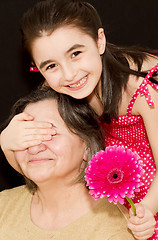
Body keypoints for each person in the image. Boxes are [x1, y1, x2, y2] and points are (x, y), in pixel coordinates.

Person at [0, 0, 158, 239]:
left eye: (76, 53)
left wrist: (148, 207)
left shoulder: (143, 84)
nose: (69, 74)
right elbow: (33, 163)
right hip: (112, 198)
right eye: (51, 65)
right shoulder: (53, 92)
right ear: (38, 68)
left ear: (99, 40)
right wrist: (6, 142)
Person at [0, 86, 136, 240]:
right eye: (26, 135)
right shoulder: (3, 205)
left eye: (50, 133)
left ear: (87, 145)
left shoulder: (116, 230)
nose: (35, 148)